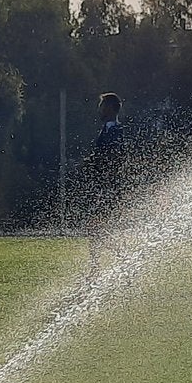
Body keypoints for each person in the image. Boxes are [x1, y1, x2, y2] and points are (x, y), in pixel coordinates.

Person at [79, 93, 129, 281]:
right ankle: (99, 265)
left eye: (101, 105)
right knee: (95, 229)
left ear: (109, 108)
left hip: (108, 189)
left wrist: (95, 164)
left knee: (97, 228)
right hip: (102, 187)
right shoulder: (106, 130)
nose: (99, 109)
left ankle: (119, 258)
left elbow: (115, 159)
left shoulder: (116, 131)